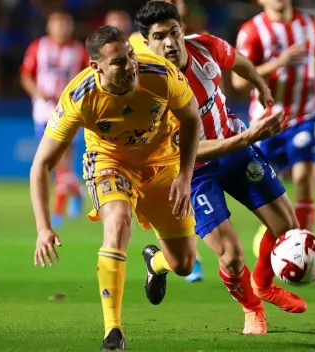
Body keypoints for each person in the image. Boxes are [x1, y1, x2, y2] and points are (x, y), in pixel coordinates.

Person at [135, 1, 306, 335]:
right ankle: (251, 309)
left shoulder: (205, 47)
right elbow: (192, 149)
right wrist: (249, 137)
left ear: (182, 30)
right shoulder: (150, 93)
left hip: (235, 145)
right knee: (229, 255)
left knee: (287, 226)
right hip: (193, 171)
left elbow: (239, 61)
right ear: (148, 44)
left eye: (174, 32)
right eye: (159, 37)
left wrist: (260, 83)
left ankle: (263, 285)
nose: (170, 42)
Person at [30, 25, 201, 350]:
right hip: (110, 162)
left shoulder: (161, 75)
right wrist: (43, 227)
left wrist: (185, 176)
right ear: (96, 67)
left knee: (184, 264)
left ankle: (156, 264)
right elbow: (41, 165)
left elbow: (191, 118)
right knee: (118, 222)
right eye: (119, 62)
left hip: (163, 164)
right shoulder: (79, 97)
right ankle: (113, 332)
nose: (131, 65)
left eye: (131, 56)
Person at [232, 0, 315, 257]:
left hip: (306, 115)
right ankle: (275, 239)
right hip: (267, 121)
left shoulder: (310, 24)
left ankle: (302, 252)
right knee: (267, 190)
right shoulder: (251, 30)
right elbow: (239, 82)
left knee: (304, 179)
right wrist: (280, 62)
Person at [131, 0, 206, 284]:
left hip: (181, 147)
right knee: (118, 224)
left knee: (182, 263)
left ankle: (161, 261)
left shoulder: (191, 47)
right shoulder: (134, 50)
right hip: (149, 157)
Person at [21, 11, 87, 227]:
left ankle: (58, 212)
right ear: (49, 27)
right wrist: (38, 92)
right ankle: (77, 191)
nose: (62, 28)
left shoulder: (79, 51)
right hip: (43, 112)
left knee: (62, 161)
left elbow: (89, 78)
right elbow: (25, 75)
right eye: (58, 24)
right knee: (56, 163)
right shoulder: (38, 47)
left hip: (70, 112)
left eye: (66, 24)